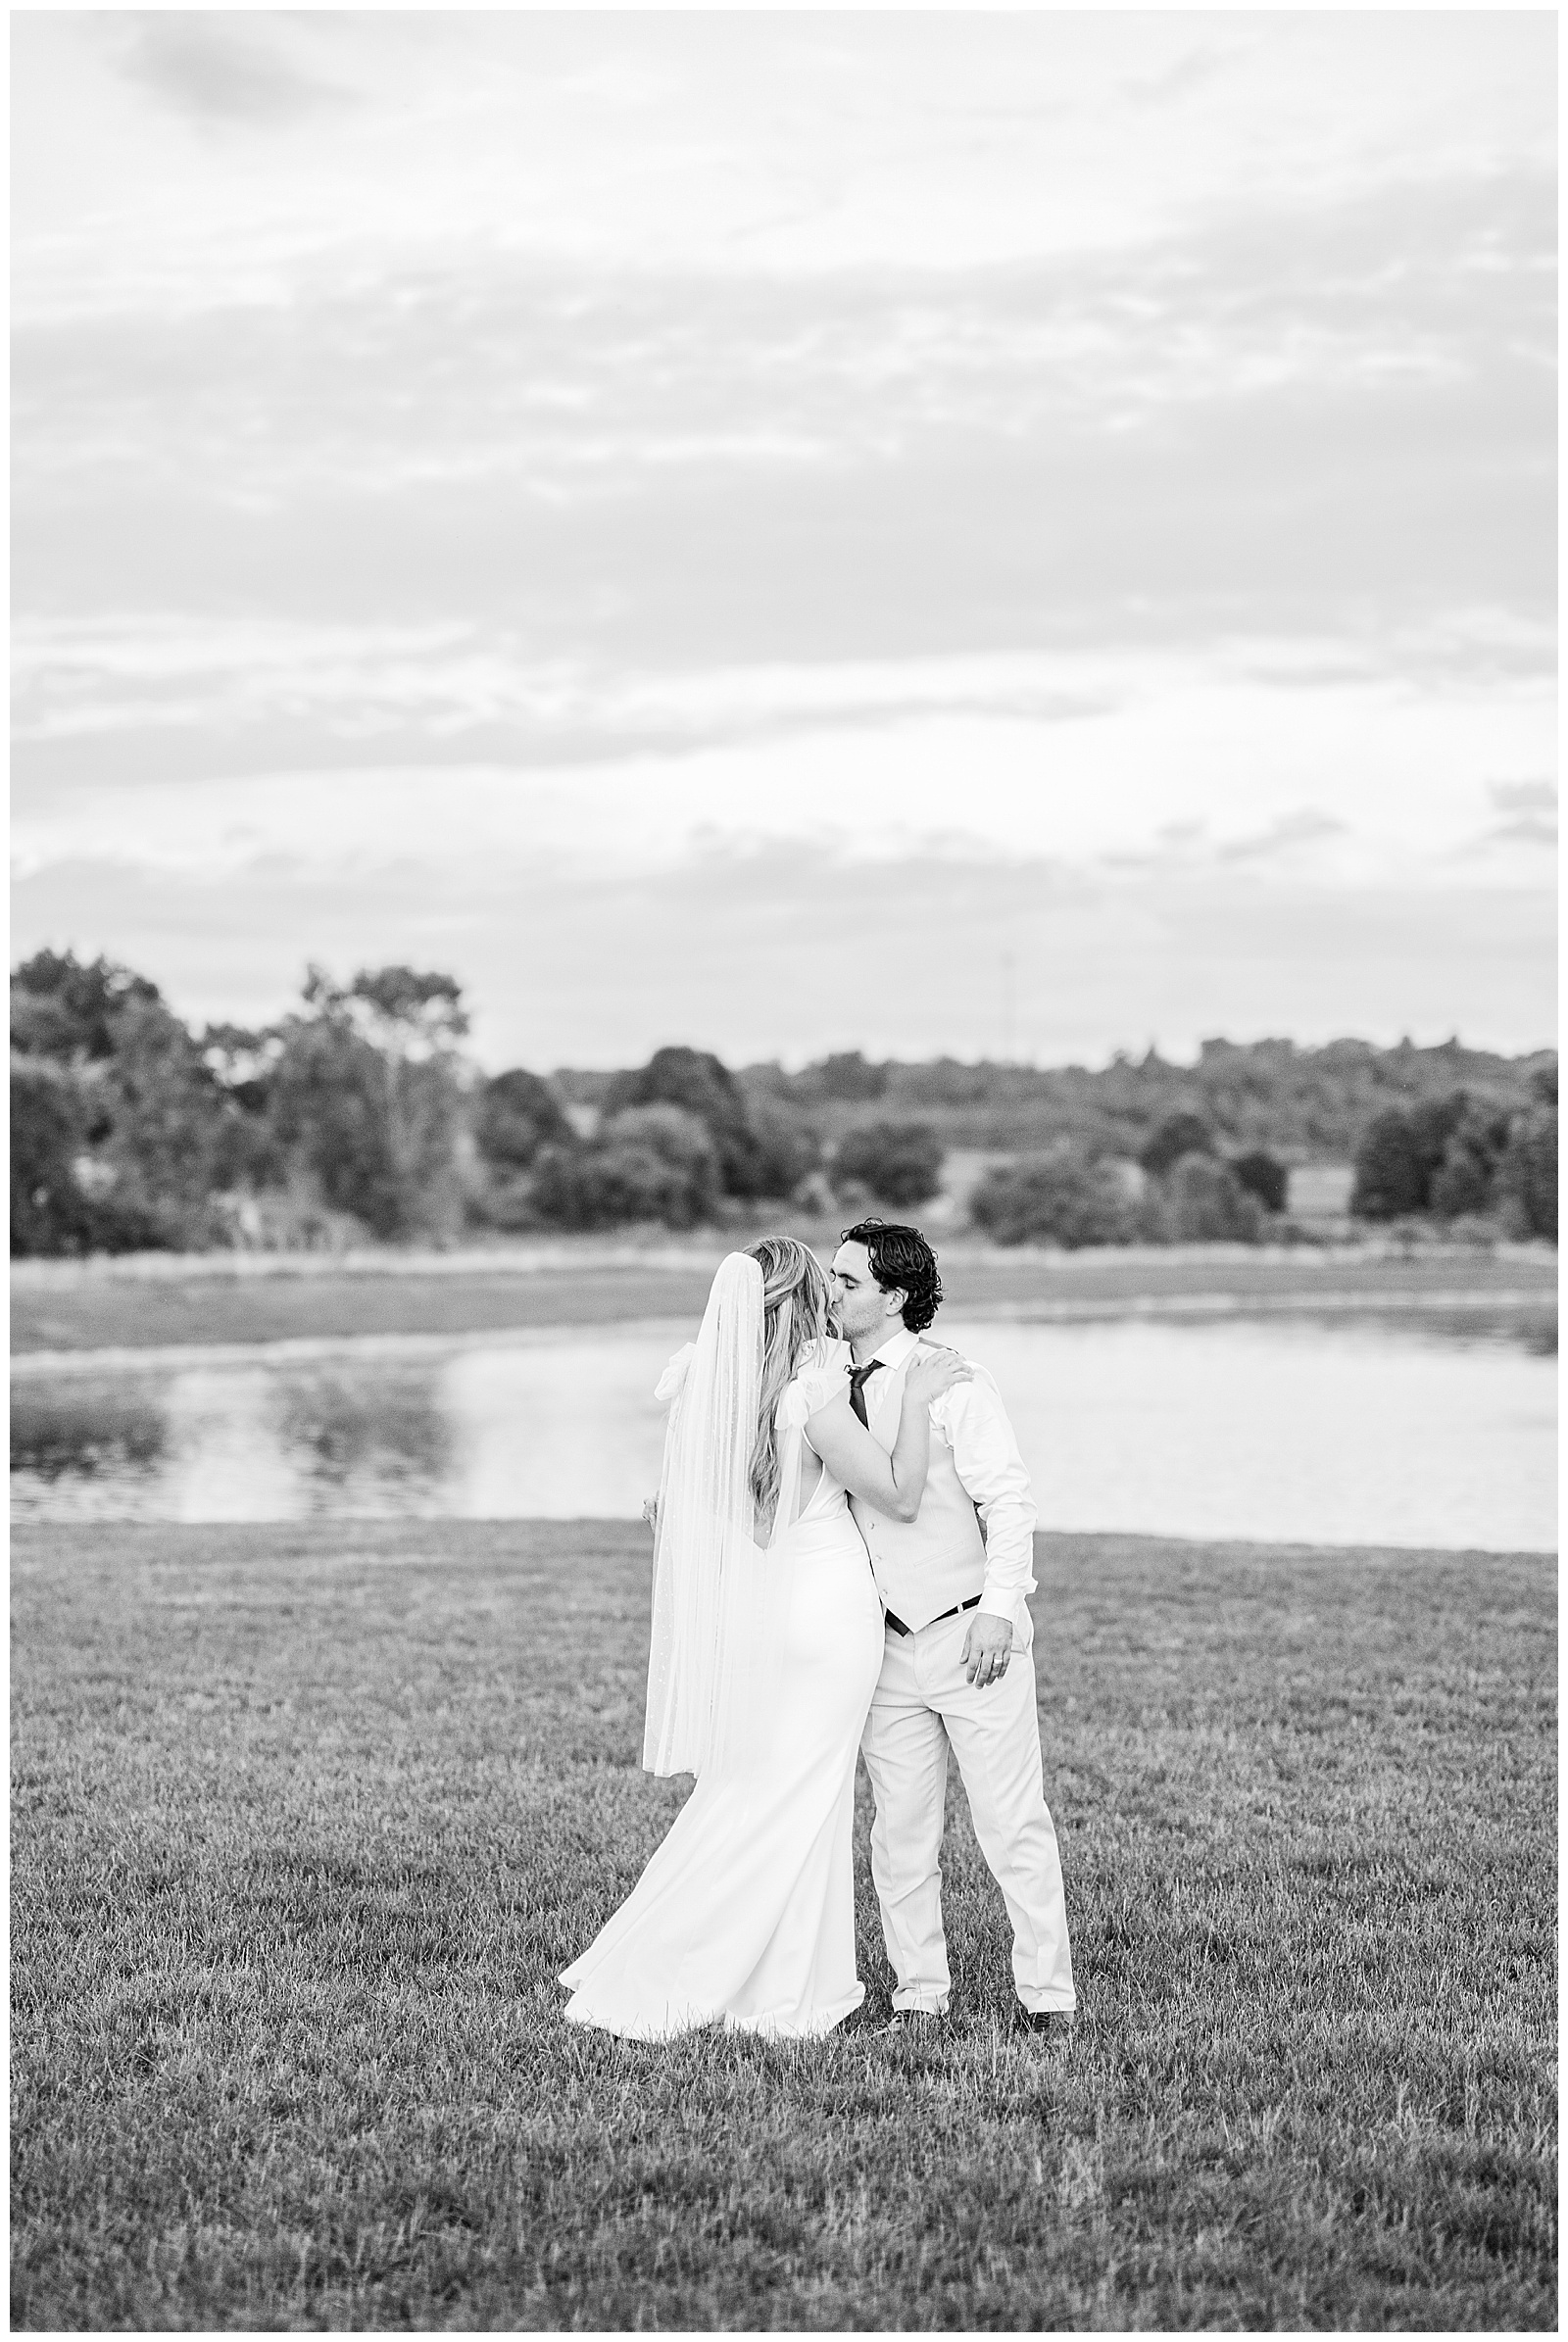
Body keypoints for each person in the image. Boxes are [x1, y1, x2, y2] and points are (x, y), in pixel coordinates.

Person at [559, 1236, 970, 2040]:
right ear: (796, 1302)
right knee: (800, 1805)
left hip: (765, 1619)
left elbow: (704, 1516)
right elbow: (900, 1495)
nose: (830, 1298)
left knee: (752, 1792)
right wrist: (916, 1404)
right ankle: (756, 1985)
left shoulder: (707, 1390)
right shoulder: (810, 1396)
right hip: (827, 1617)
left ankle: (765, 1973)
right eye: (821, 1287)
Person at [829, 1218, 1076, 2038]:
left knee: (1012, 1823)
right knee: (899, 1834)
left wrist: (1000, 1612)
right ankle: (919, 1998)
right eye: (833, 1277)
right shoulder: (825, 1377)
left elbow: (1008, 1499)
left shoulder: (956, 1382)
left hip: (971, 1634)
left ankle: (1048, 1999)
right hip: (883, 1648)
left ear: (894, 1298)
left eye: (848, 1282)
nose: (832, 1292)